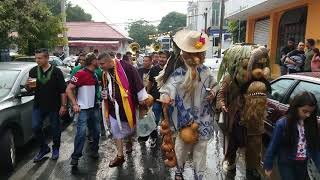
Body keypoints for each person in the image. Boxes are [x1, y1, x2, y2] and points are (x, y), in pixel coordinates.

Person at [158, 29, 217, 180]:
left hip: (204, 118)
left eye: (198, 54)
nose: (195, 58)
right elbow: (167, 88)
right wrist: (166, 97)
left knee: (200, 150)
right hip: (184, 119)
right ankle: (179, 170)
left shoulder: (207, 72)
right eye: (192, 54)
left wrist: (213, 93)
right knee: (181, 148)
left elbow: (216, 85)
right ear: (185, 54)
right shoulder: (178, 73)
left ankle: (199, 175)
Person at [98, 52, 148, 167]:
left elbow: (137, 81)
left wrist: (141, 98)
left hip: (127, 105)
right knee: (115, 129)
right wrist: (104, 94)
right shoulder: (104, 73)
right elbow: (105, 86)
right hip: (112, 106)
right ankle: (120, 156)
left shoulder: (126, 67)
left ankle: (129, 141)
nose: (100, 66)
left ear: (110, 61)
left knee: (129, 127)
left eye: (102, 64)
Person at [264, 92, 320, 180]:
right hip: (286, 163)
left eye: (311, 112)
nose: (308, 115)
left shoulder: (311, 124)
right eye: (305, 111)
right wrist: (268, 164)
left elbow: (315, 148)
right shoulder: (282, 124)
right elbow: (273, 145)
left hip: (303, 164)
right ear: (295, 108)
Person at [26, 48, 67, 162]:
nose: (37, 60)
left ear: (47, 58)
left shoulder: (56, 71)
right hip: (38, 105)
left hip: (54, 105)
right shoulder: (33, 71)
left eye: (39, 58)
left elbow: (63, 90)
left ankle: (56, 148)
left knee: (55, 128)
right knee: (35, 127)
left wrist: (63, 105)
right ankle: (44, 148)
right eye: (36, 58)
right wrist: (27, 85)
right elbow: (30, 89)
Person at [66, 53, 101, 166]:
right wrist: (75, 104)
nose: (99, 61)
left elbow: (96, 90)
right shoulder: (80, 73)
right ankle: (76, 156)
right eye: (97, 59)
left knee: (96, 131)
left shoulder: (95, 74)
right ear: (92, 61)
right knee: (81, 133)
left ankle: (94, 150)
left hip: (94, 107)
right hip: (83, 109)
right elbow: (69, 89)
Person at [145, 51, 169, 147]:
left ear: (167, 59)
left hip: (167, 99)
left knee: (167, 120)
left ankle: (166, 139)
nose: (161, 59)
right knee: (154, 119)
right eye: (160, 57)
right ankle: (154, 137)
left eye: (164, 57)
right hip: (156, 98)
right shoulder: (154, 69)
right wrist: (147, 94)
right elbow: (150, 82)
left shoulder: (170, 69)